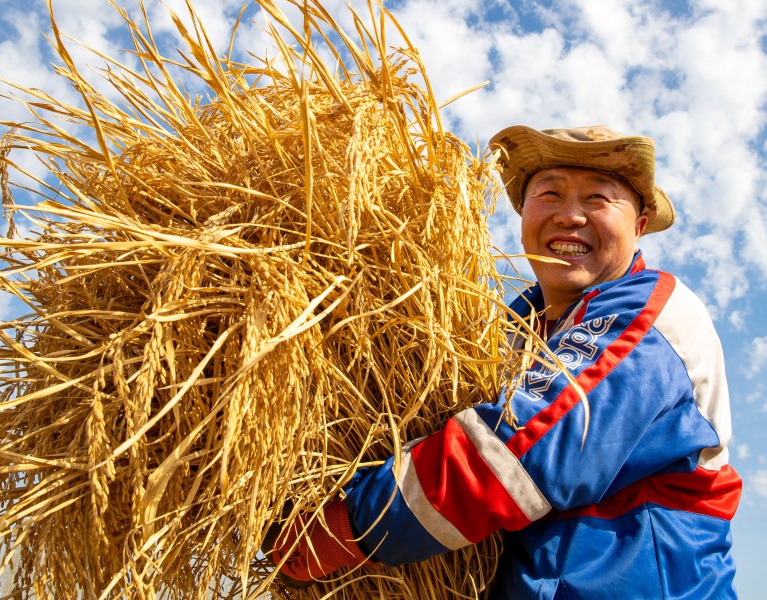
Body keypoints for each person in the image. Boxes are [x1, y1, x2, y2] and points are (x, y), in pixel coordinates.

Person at [268, 125, 741, 599]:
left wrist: (347, 527)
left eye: (598, 198)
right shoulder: (507, 331)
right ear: (523, 215)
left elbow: (521, 449)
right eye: (549, 193)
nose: (569, 215)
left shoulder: (652, 314)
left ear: (638, 224)